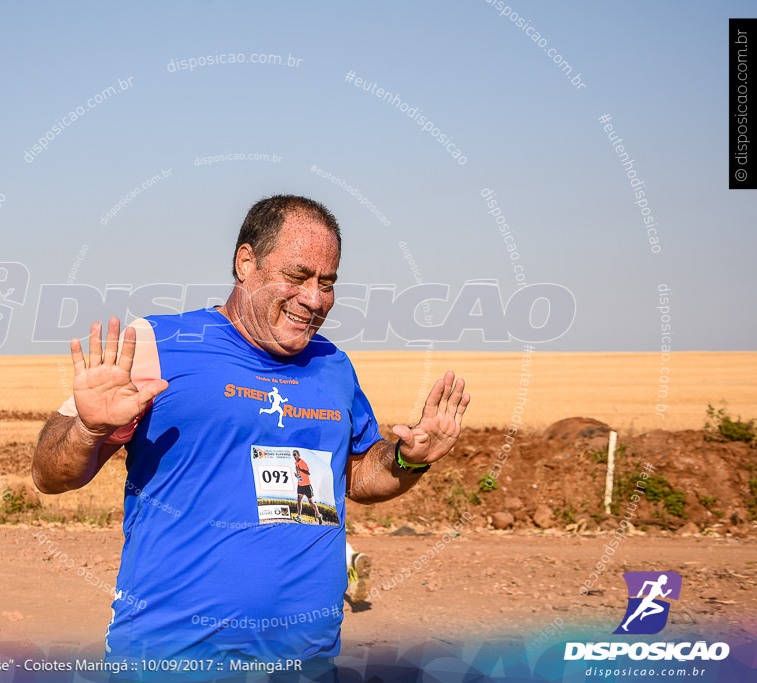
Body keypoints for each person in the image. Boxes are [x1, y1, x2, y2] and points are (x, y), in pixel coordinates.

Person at [32, 195, 470, 676]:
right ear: (246, 262)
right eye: (298, 277)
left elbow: (357, 478)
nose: (315, 298)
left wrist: (409, 459)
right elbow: (49, 475)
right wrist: (90, 427)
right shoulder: (158, 344)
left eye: (327, 283)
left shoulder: (333, 366)